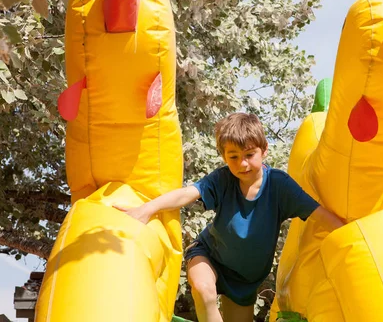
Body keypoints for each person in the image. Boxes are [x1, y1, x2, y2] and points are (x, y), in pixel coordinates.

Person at [114, 113, 344, 322]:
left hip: (245, 280)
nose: (242, 164)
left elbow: (318, 214)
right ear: (224, 157)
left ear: (264, 150)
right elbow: (186, 193)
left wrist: (351, 234)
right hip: (209, 256)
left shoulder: (279, 186)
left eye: (249, 155)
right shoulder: (223, 179)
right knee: (204, 290)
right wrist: (146, 209)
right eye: (233, 156)